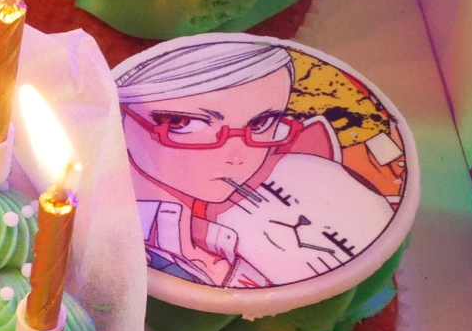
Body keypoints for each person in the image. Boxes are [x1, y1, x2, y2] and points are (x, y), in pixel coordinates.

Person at [117, 37, 397, 288]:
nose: (236, 156)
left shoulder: (222, 244)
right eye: (182, 122)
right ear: (124, 114)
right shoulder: (115, 230)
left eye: (261, 123)